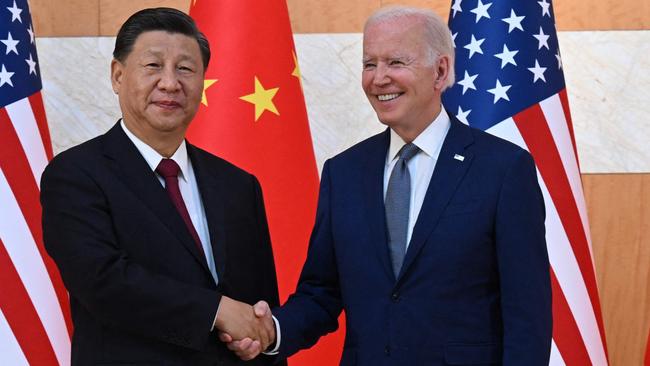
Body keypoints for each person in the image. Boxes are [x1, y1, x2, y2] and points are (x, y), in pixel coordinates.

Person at [222, 6, 552, 365]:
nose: (378, 79)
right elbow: (322, 292)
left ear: (440, 71)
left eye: (395, 62)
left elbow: (527, 316)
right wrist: (272, 330)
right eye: (369, 64)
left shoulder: (503, 168)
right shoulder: (344, 172)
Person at [41, 7, 280, 365]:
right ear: (118, 75)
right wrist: (215, 311)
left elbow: (259, 307)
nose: (170, 83)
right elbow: (103, 283)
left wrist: (261, 339)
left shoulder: (238, 185)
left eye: (185, 68)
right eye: (153, 66)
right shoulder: (76, 174)